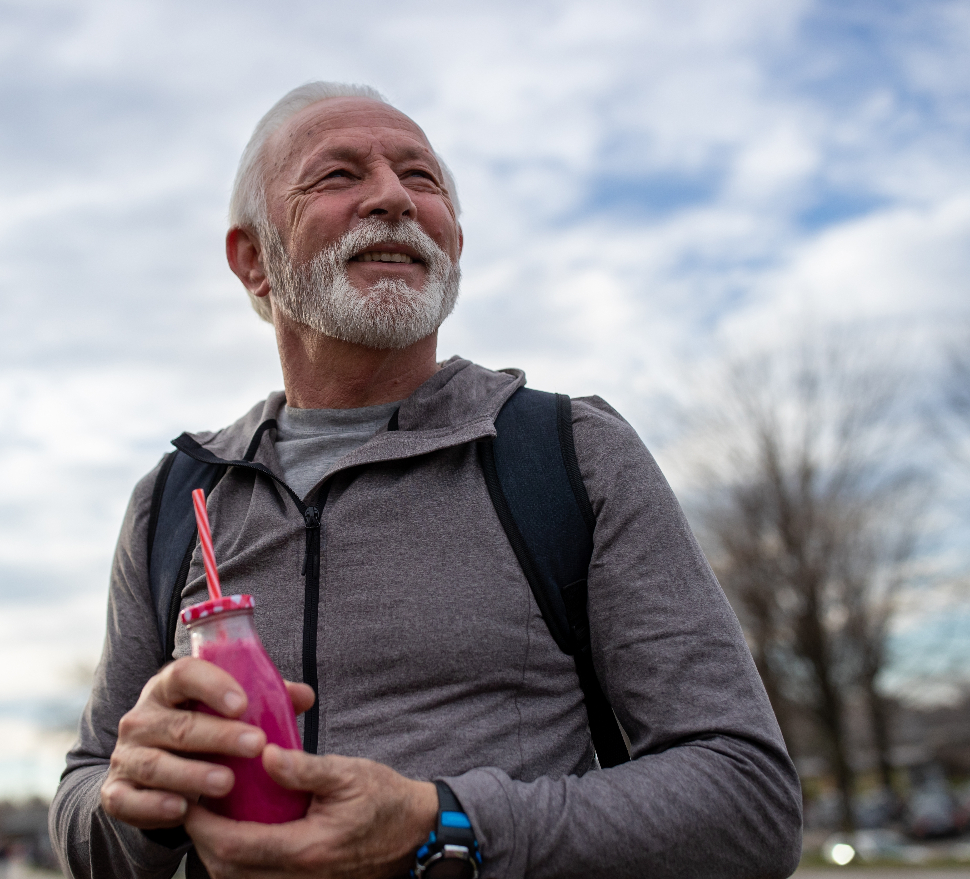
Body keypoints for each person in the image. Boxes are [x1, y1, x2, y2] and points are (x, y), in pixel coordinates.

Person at [50, 82, 803, 879]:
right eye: (337, 175)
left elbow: (748, 802)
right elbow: (82, 808)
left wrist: (442, 823)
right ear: (253, 261)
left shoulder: (572, 452)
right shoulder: (175, 500)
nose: (392, 198)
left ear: (454, 239)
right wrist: (136, 800)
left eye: (422, 178)